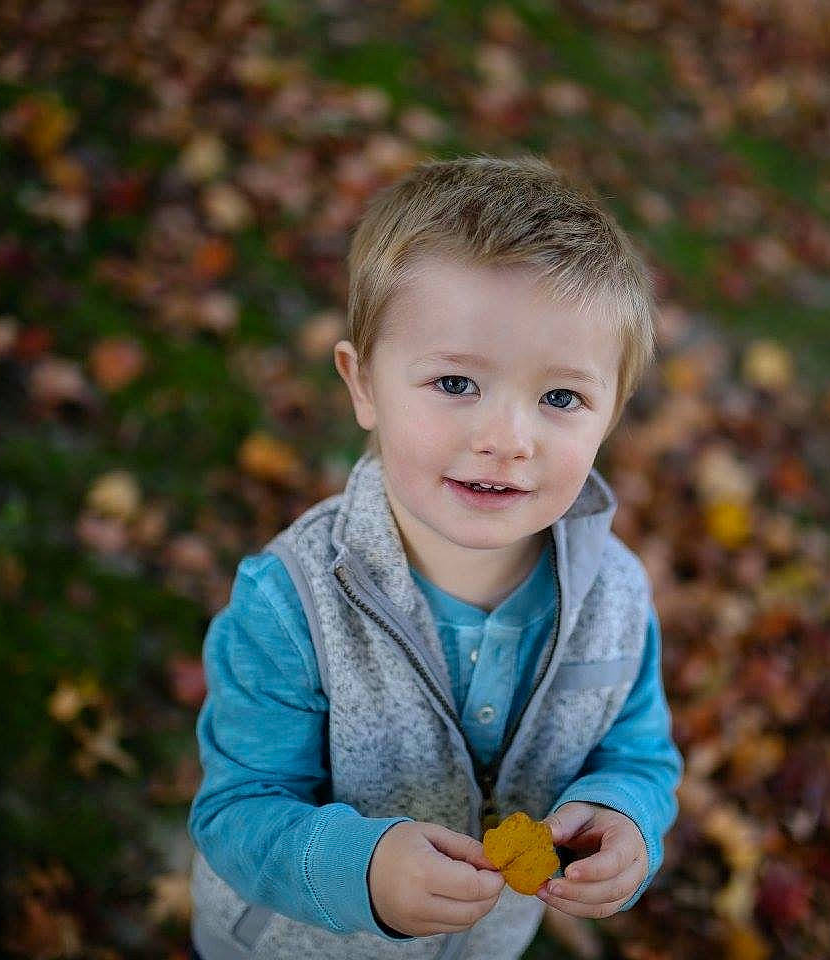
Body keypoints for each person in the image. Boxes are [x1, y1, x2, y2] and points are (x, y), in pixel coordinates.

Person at [188, 155, 683, 960]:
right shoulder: (292, 605)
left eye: (561, 398)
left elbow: (638, 754)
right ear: (364, 386)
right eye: (456, 382)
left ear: (613, 412)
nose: (507, 440)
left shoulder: (615, 598)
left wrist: (625, 815)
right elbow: (238, 811)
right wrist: (365, 868)